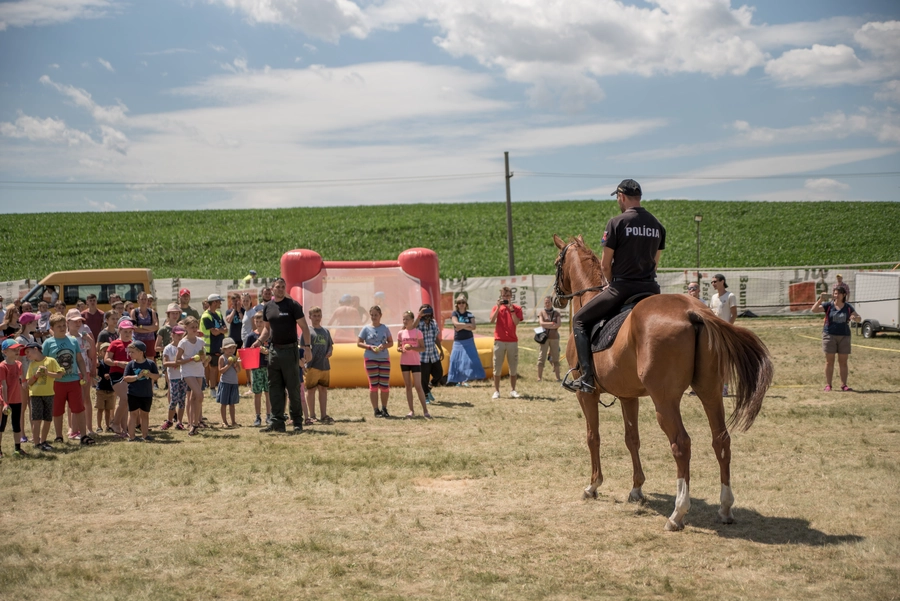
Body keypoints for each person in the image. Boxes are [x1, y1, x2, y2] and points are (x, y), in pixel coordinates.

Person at [568, 179, 665, 393]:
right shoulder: (658, 226)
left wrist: (610, 283)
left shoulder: (617, 223)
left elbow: (604, 264)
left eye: (617, 198)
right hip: (651, 290)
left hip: (622, 289)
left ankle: (585, 378)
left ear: (621, 196)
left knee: (580, 320)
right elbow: (655, 263)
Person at [253, 278, 311, 434]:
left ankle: (297, 421)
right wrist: (259, 341)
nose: (280, 289)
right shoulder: (268, 307)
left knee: (293, 388)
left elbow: (304, 327)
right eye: (277, 287)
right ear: (272, 289)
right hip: (273, 351)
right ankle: (277, 422)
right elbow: (267, 330)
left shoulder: (292, 305)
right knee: (274, 388)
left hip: (290, 350)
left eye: (283, 287)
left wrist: (307, 348)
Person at [43, 314, 94, 446]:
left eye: (63, 325)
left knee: (79, 409)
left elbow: (79, 359)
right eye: (58, 326)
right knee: (57, 410)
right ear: (52, 328)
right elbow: (42, 362)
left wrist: (84, 374)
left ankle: (83, 435)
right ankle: (59, 436)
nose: (62, 328)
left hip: (74, 380)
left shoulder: (73, 341)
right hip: (56, 382)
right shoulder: (48, 343)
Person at [812, 288, 861, 392]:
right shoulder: (829, 305)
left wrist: (855, 318)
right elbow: (814, 310)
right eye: (835, 293)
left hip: (844, 336)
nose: (836, 295)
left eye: (838, 293)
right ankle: (828, 385)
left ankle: (844, 385)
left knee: (843, 362)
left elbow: (859, 318)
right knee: (829, 362)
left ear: (844, 295)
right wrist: (820, 300)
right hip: (829, 335)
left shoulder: (848, 307)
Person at [24, 342, 61, 451]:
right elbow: (28, 383)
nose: (27, 355)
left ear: (35, 349)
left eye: (28, 352)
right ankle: (36, 443)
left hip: (49, 394)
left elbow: (59, 375)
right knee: (36, 420)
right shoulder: (32, 365)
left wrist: (47, 372)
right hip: (35, 395)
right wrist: (36, 376)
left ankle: (43, 441)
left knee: (48, 419)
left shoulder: (51, 361)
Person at [66, 309, 97, 437]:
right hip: (72, 373)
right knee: (74, 401)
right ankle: (74, 429)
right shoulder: (66, 338)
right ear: (68, 322)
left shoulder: (83, 337)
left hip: (85, 372)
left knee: (85, 399)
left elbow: (90, 355)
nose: (78, 323)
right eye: (74, 321)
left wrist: (90, 341)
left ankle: (87, 428)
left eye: (79, 321)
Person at [358, 305, 393, 418]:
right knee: (373, 385)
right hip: (370, 359)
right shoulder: (366, 328)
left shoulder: (385, 328)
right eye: (372, 315)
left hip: (384, 359)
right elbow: (359, 342)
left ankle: (384, 408)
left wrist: (384, 346)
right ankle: (376, 410)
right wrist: (369, 347)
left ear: (380, 316)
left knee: (384, 385)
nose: (374, 317)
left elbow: (391, 343)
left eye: (376, 315)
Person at [175, 316, 207, 436]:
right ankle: (194, 423)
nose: (194, 329)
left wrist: (203, 358)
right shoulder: (183, 342)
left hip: (199, 370)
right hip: (187, 371)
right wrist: (190, 359)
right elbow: (177, 361)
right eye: (192, 327)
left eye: (196, 327)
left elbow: (203, 356)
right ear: (186, 328)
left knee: (195, 398)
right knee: (199, 395)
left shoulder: (200, 341)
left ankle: (194, 424)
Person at [489, 286, 523, 399]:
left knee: (513, 367)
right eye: (504, 296)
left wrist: (511, 309)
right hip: (499, 340)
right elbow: (492, 320)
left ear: (511, 296)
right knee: (497, 366)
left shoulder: (517, 308)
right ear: (501, 296)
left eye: (507, 296)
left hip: (512, 341)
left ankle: (513, 390)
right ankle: (496, 391)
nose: (506, 297)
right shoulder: (497, 307)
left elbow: (516, 322)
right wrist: (498, 307)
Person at [122, 340, 159, 441]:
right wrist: (137, 377)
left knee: (145, 414)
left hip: (147, 394)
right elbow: (125, 378)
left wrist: (149, 375)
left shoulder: (150, 364)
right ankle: (132, 436)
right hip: (133, 393)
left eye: (132, 352)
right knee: (133, 414)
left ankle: (145, 435)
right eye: (129, 352)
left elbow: (157, 376)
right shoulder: (130, 365)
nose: (130, 354)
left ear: (141, 352)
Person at [105, 319, 136, 437]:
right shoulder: (114, 344)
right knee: (125, 398)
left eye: (130, 331)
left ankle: (123, 430)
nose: (127, 333)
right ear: (120, 330)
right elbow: (107, 360)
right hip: (117, 374)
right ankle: (115, 423)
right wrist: (118, 363)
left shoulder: (133, 344)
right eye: (125, 331)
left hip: (130, 374)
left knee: (125, 402)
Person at [397, 310, 430, 419]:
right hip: (404, 362)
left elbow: (423, 348)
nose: (405, 321)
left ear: (412, 320)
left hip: (415, 362)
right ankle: (411, 410)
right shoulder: (401, 333)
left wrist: (412, 348)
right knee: (408, 386)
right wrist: (400, 349)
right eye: (403, 319)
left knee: (418, 386)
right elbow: (399, 347)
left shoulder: (417, 332)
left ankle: (425, 410)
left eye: (407, 319)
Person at [447, 296, 485, 386]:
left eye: (463, 302)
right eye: (459, 303)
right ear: (457, 304)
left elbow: (474, 326)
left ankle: (465, 380)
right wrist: (468, 325)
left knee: (469, 360)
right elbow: (456, 324)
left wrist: (461, 326)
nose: (461, 304)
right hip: (458, 341)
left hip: (468, 340)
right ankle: (457, 380)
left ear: (466, 304)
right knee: (455, 360)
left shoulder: (469, 314)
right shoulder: (454, 314)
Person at [305, 307, 334, 424]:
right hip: (312, 366)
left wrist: (330, 351)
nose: (317, 318)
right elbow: (302, 347)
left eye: (319, 315)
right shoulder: (307, 331)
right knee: (311, 390)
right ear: (310, 317)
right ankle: (312, 415)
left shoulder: (326, 331)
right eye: (314, 316)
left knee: (323, 389)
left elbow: (330, 345)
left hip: (324, 365)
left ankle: (324, 414)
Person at [710, 274, 737, 396]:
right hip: (715, 331)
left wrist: (728, 327)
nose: (713, 284)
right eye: (712, 282)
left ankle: (725, 387)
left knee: (725, 360)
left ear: (722, 282)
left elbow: (734, 314)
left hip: (725, 331)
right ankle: (716, 385)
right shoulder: (714, 297)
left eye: (715, 281)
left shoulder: (730, 296)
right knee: (714, 359)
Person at [1, 339, 27, 457]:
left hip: (17, 399)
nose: (17, 350)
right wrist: (5, 403)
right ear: (5, 352)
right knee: (1, 426)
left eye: (18, 348)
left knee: (16, 424)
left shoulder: (19, 364)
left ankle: (17, 448)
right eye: (14, 349)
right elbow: (3, 386)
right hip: (4, 401)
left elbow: (22, 381)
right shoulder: (2, 366)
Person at [244, 313, 271, 427]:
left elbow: (274, 349)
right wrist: (257, 350)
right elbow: (247, 352)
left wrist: (267, 351)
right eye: (257, 321)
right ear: (254, 322)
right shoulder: (251, 337)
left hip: (269, 367)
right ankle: (257, 416)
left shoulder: (269, 335)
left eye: (261, 321)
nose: (259, 324)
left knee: (268, 393)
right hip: (256, 368)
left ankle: (269, 415)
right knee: (257, 393)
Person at [161, 325, 187, 431]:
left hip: (183, 377)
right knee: (174, 400)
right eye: (178, 335)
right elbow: (165, 363)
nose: (180, 337)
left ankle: (180, 422)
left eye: (182, 335)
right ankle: (169, 420)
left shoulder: (185, 347)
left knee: (182, 400)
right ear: (172, 335)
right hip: (173, 378)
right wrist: (176, 363)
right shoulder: (168, 348)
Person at [416, 304, 444, 402]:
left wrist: (441, 350)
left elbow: (436, 337)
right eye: (424, 311)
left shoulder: (433, 322)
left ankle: (429, 387)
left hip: (433, 354)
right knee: (424, 377)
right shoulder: (418, 323)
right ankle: (426, 395)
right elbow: (411, 328)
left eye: (428, 311)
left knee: (439, 373)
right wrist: (419, 316)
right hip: (423, 355)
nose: (427, 314)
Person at [201, 294, 227, 396]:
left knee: (216, 367)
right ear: (214, 302)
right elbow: (214, 332)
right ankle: (211, 389)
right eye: (219, 301)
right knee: (212, 368)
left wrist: (220, 330)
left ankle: (214, 388)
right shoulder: (206, 316)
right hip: (210, 346)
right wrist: (221, 330)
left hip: (218, 345)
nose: (220, 303)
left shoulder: (219, 314)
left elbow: (225, 329)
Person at [216, 338, 242, 427]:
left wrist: (235, 365)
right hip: (225, 383)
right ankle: (224, 422)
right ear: (224, 349)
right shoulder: (222, 358)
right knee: (224, 403)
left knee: (232, 404)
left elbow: (239, 371)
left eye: (233, 348)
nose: (231, 350)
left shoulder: (235, 358)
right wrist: (229, 364)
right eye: (229, 348)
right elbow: (221, 371)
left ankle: (233, 422)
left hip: (234, 383)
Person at [536, 296, 562, 382]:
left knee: (555, 358)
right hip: (544, 338)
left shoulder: (556, 313)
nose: (547, 304)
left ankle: (558, 377)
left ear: (552, 303)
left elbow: (558, 325)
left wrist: (548, 324)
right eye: (546, 302)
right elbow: (542, 323)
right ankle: (539, 377)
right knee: (541, 357)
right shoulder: (542, 313)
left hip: (554, 338)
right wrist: (552, 324)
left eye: (548, 302)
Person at [130, 292, 159, 361]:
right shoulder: (134, 312)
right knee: (137, 360)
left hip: (150, 341)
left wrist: (141, 326)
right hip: (137, 340)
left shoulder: (152, 312)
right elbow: (134, 328)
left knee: (150, 361)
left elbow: (156, 327)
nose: (144, 301)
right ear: (138, 300)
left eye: (145, 299)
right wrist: (150, 328)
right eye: (142, 299)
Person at [94, 342, 116, 433]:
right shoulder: (99, 364)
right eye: (104, 351)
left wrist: (111, 376)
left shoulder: (113, 363)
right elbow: (95, 376)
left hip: (111, 390)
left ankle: (108, 426)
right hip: (101, 390)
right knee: (100, 409)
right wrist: (100, 377)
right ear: (100, 353)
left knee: (108, 410)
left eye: (108, 351)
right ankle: (99, 426)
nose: (106, 352)